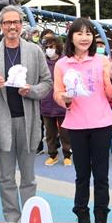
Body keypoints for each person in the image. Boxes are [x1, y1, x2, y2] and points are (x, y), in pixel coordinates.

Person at [0, 6, 52, 223]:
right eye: (7, 22)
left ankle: (30, 217)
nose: (12, 26)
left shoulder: (34, 51)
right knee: (6, 175)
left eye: (16, 22)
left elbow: (47, 83)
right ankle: (11, 216)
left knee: (29, 175)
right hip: (2, 121)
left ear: (21, 25)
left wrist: (31, 90)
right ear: (1, 26)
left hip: (28, 120)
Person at [53, 18, 112, 223]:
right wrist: (64, 99)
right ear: (71, 37)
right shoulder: (62, 64)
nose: (84, 38)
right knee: (81, 175)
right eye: (80, 33)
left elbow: (111, 93)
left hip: (102, 124)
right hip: (76, 125)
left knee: (101, 176)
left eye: (89, 34)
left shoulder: (102, 61)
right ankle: (82, 218)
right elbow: (57, 93)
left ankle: (101, 220)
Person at [39, 35, 71, 166]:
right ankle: (53, 154)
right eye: (46, 47)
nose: (49, 49)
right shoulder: (42, 63)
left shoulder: (65, 62)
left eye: (51, 47)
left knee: (65, 132)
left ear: (58, 47)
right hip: (46, 102)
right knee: (50, 133)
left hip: (62, 102)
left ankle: (67, 154)